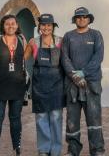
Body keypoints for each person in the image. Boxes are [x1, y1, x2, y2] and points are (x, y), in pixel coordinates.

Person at [61, 7, 105, 156]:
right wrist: (75, 76)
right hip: (72, 85)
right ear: (75, 20)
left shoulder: (96, 35)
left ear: (89, 19)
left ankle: (97, 150)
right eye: (78, 17)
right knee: (72, 121)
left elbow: (98, 57)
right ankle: (73, 150)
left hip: (91, 85)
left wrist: (84, 73)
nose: (81, 19)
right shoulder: (68, 36)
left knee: (94, 119)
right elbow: (65, 59)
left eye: (84, 16)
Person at [0, 14, 32, 156]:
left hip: (17, 86)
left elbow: (24, 58)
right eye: (7, 24)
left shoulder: (22, 39)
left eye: (13, 23)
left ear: (17, 25)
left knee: (15, 118)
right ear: (3, 26)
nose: (10, 26)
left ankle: (17, 148)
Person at [29, 13, 65, 156]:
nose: (46, 28)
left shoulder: (60, 42)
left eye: (49, 25)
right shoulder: (34, 42)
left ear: (53, 27)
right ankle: (44, 149)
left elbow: (66, 61)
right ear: (39, 27)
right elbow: (21, 58)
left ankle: (55, 150)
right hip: (39, 86)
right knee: (41, 118)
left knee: (56, 117)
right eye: (43, 25)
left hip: (57, 85)